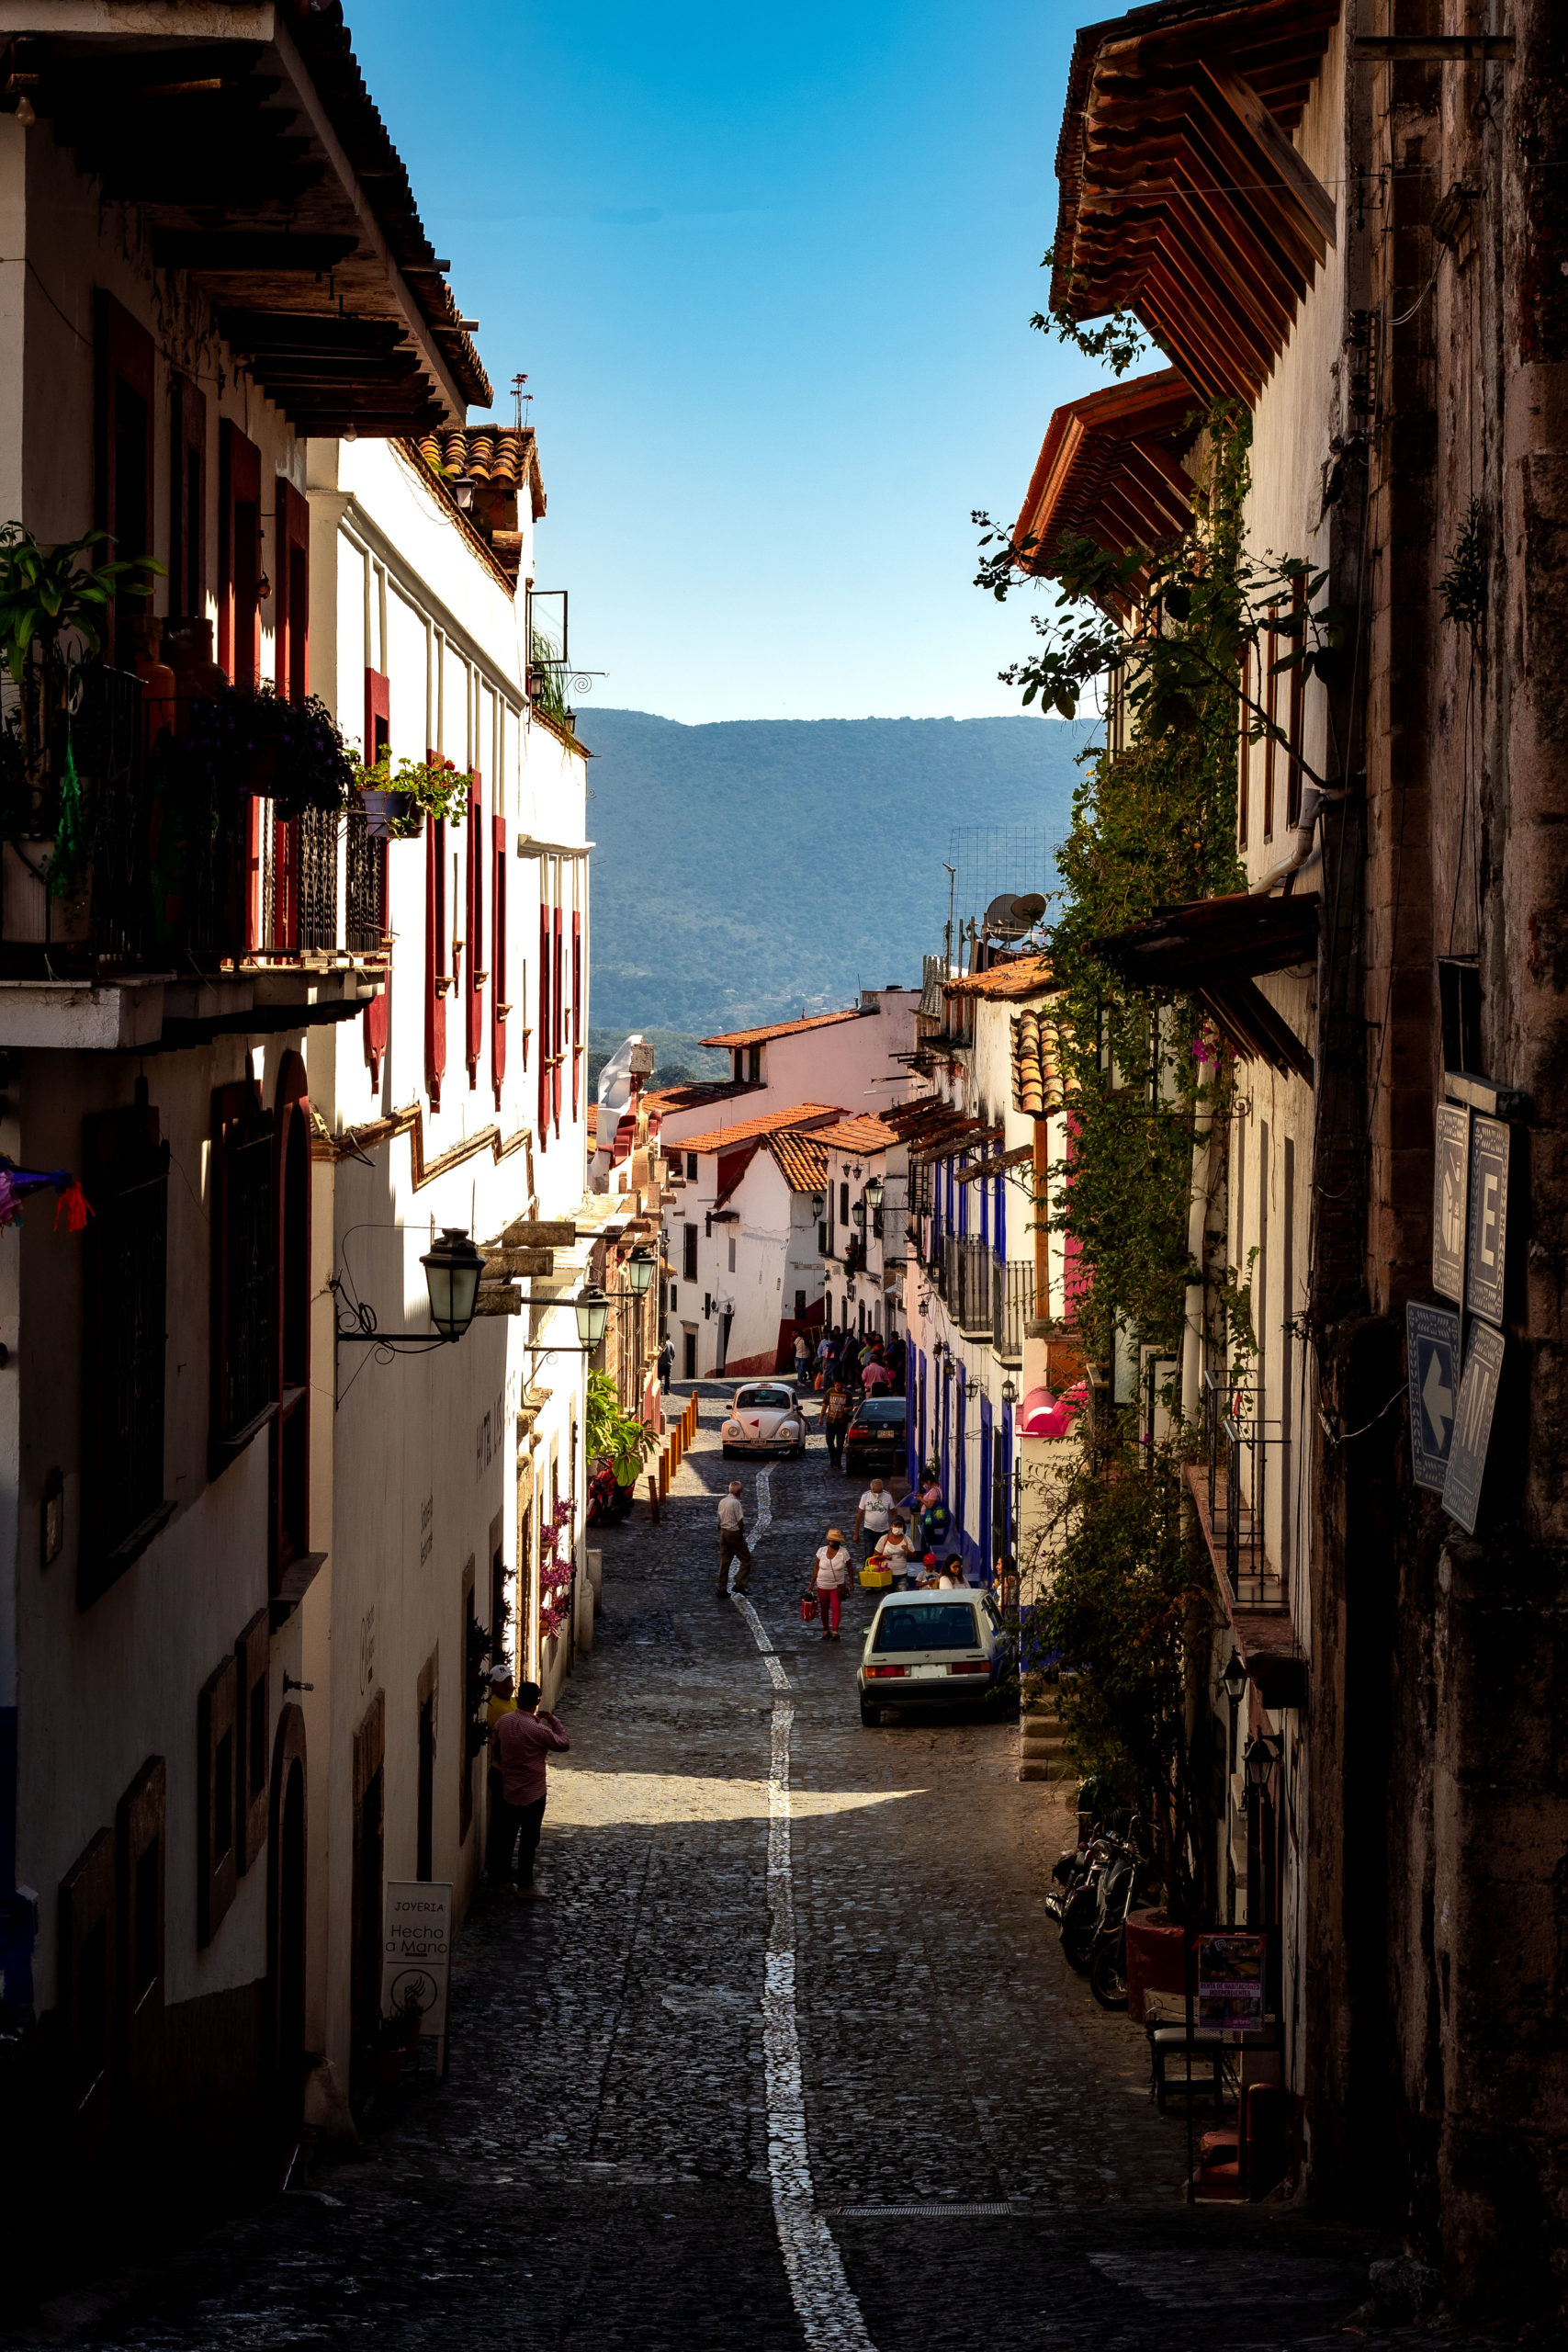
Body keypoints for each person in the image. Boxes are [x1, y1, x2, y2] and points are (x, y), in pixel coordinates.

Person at [492, 1682, 570, 1898]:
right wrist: (553, 1719)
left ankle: (503, 1880)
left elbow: (495, 1742)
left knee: (507, 1837)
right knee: (529, 1839)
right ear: (537, 1701)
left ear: (518, 1697)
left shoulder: (504, 1721)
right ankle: (526, 1885)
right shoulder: (538, 1730)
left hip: (509, 1789)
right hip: (533, 1792)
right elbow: (563, 1744)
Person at [484, 1665, 517, 1883]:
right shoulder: (496, 1708)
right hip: (501, 1773)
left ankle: (503, 1866)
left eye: (510, 1680)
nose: (508, 1685)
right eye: (504, 1682)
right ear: (494, 1685)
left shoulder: (511, 1703)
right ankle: (498, 1869)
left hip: (509, 1773)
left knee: (509, 1824)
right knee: (502, 1825)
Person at [808, 1529, 854, 1640]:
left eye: (834, 1541)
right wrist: (812, 1584)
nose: (832, 1542)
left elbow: (850, 1568)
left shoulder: (844, 1553)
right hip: (822, 1586)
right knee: (824, 1608)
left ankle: (835, 1631)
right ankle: (825, 1630)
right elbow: (816, 1568)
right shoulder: (821, 1551)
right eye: (830, 1540)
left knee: (835, 1608)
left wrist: (851, 1582)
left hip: (837, 1587)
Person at [716, 1480, 752, 1596]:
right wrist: (741, 1531)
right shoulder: (736, 1503)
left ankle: (721, 1588)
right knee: (746, 1559)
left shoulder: (722, 1501)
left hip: (723, 1532)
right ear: (738, 1492)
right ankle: (740, 1584)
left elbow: (719, 1517)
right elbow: (740, 1521)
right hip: (733, 1533)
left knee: (725, 1561)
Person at [853, 1476, 895, 1557]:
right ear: (871, 1489)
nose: (877, 1495)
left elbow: (893, 1512)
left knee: (883, 1554)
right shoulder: (865, 1496)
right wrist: (856, 1533)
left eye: (879, 1492)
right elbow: (859, 1515)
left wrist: (894, 1529)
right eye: (875, 1492)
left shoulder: (888, 1496)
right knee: (869, 1553)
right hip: (869, 1529)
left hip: (884, 1530)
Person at [874, 1515, 917, 1589]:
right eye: (896, 1525)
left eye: (900, 1526)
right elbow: (875, 1557)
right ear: (891, 1526)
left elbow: (914, 1557)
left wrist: (908, 1550)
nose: (898, 1528)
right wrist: (884, 1557)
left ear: (903, 1527)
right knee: (887, 1596)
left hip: (902, 1575)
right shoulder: (884, 1539)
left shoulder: (907, 1540)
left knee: (902, 1596)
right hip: (886, 1575)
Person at [821, 1378, 852, 1470]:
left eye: (841, 1385)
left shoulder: (847, 1394)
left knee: (840, 1443)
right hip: (830, 1421)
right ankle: (833, 1459)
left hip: (842, 1423)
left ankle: (837, 1462)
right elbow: (825, 1405)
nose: (839, 1387)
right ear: (835, 1384)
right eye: (837, 1385)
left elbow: (851, 1406)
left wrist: (848, 1409)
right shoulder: (829, 1392)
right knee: (829, 1442)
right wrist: (821, 1417)